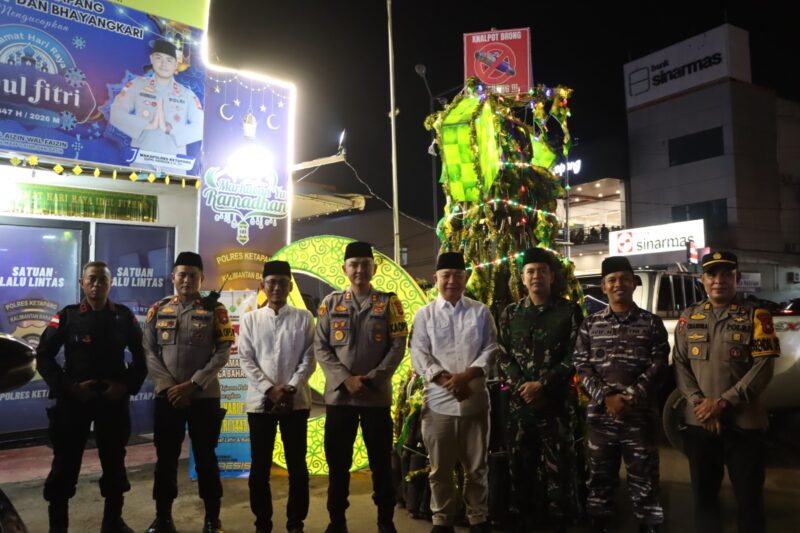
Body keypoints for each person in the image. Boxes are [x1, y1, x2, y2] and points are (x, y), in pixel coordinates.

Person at [36, 260, 147, 533]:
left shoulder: (124, 317)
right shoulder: (68, 316)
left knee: (114, 462)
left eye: (103, 280)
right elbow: (43, 356)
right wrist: (69, 387)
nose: (97, 285)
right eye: (92, 279)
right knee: (64, 463)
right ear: (82, 282)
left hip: (112, 400)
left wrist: (124, 386)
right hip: (75, 401)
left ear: (111, 284)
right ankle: (57, 528)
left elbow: (144, 357)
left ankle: (113, 523)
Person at [673, 251, 779, 533]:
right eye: (711, 274)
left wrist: (721, 403)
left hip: (744, 426)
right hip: (699, 424)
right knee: (704, 499)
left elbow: (763, 367)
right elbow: (681, 365)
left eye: (726, 274)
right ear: (702, 279)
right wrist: (700, 404)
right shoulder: (688, 318)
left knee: (750, 501)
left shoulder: (757, 316)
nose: (718, 280)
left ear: (737, 278)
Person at [315, 241, 408, 533]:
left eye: (364, 264)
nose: (358, 270)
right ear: (344, 269)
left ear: (374, 268)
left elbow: (398, 346)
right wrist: (346, 379)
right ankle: (337, 521)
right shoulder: (330, 303)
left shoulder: (389, 302)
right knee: (338, 465)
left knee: (381, 465)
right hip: (340, 399)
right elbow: (321, 346)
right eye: (353, 264)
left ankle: (385, 521)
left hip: (375, 398)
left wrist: (374, 379)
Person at [573, 256, 668, 533]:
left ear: (634, 283)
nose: (618, 285)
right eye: (612, 280)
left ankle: (649, 523)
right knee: (600, 477)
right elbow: (582, 365)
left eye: (624, 279)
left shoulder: (651, 323)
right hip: (601, 419)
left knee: (645, 476)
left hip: (639, 417)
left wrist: (631, 397)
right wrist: (606, 397)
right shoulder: (590, 325)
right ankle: (599, 520)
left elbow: (659, 364)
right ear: (603, 287)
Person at [143, 252, 233, 533]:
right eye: (181, 274)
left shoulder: (215, 311)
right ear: (173, 277)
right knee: (166, 459)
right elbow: (149, 350)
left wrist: (192, 385)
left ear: (201, 279)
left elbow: (222, 352)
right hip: (167, 396)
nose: (186, 280)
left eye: (192, 275)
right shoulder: (158, 309)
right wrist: (170, 387)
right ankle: (163, 518)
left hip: (203, 397)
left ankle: (212, 519)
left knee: (206, 457)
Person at [409, 251, 498, 533]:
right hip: (438, 404)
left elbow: (491, 348)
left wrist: (467, 376)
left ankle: (477, 517)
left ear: (465, 278)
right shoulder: (424, 315)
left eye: (457, 275)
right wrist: (448, 380)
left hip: (475, 402)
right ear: (436, 279)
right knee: (439, 469)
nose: (451, 281)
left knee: (477, 467)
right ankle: (442, 520)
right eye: (445, 275)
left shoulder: (480, 311)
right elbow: (419, 353)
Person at [497, 248, 583, 533]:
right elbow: (502, 354)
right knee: (521, 472)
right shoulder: (511, 314)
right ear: (523, 279)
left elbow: (576, 356)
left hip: (556, 406)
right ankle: (524, 521)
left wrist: (543, 385)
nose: (536, 276)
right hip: (520, 408)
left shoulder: (569, 311)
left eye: (542, 271)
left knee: (561, 474)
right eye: (530, 271)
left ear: (552, 276)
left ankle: (560, 523)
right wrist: (523, 387)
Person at [238, 260, 315, 533]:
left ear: (290, 286)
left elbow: (309, 358)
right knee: (260, 468)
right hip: (260, 404)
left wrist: (290, 388)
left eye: (283, 282)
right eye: (271, 282)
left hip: (296, 403)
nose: (277, 287)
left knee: (297, 466)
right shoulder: (250, 319)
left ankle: (296, 523)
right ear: (262, 286)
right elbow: (245, 359)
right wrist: (270, 390)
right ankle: (263, 523)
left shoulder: (304, 318)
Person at [109, 39, 203, 157]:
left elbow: (201, 127)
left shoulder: (187, 94)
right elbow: (116, 113)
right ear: (151, 59)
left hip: (174, 164)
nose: (164, 64)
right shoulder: (136, 85)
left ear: (175, 64)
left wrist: (170, 130)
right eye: (159, 58)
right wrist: (146, 125)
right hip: (142, 161)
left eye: (169, 60)